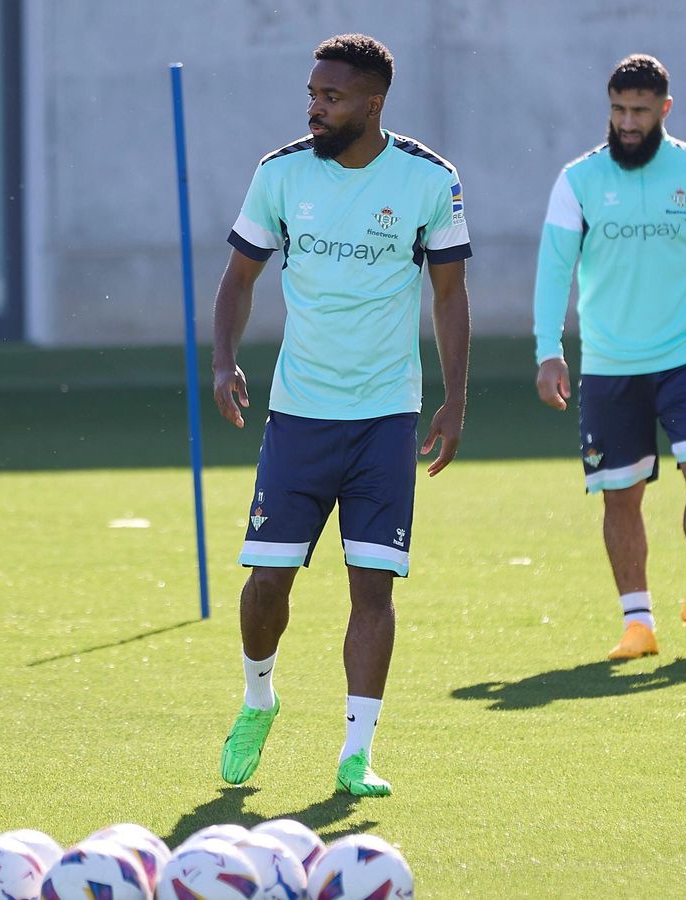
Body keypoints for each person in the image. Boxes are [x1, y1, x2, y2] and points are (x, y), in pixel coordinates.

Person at [211, 33, 471, 797]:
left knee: (374, 588)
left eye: (330, 97)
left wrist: (455, 400)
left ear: (372, 103)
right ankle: (259, 696)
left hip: (386, 418)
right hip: (298, 417)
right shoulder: (281, 173)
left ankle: (356, 753)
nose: (314, 108)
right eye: (312, 95)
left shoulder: (430, 180)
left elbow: (450, 298)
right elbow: (237, 279)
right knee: (266, 582)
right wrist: (225, 361)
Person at [532, 53, 686, 660]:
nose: (627, 122)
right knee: (620, 494)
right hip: (608, 367)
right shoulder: (578, 180)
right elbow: (555, 268)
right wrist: (548, 351)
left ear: (664, 109)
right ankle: (638, 622)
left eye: (639, 110)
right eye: (617, 109)